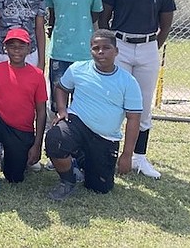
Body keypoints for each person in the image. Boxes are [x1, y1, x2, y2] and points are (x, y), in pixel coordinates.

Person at [100, 0, 176, 179]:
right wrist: (113, 45)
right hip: (120, 44)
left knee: (142, 104)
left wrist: (150, 46)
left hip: (147, 47)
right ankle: (108, 153)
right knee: (113, 100)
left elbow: (165, 26)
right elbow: (104, 19)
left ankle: (138, 157)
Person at [45, 29, 142, 201]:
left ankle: (79, 162)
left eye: (106, 48)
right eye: (96, 48)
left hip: (106, 137)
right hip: (77, 123)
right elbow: (61, 88)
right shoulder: (78, 69)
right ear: (90, 50)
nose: (101, 52)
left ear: (116, 51)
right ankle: (68, 181)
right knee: (55, 138)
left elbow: (134, 119)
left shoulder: (128, 81)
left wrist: (127, 155)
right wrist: (62, 110)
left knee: (100, 188)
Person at [0, 28, 47, 200]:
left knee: (14, 178)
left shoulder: (37, 75)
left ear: (29, 48)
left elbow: (41, 112)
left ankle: (11, 155)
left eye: (21, 46)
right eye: (12, 46)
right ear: (5, 48)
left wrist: (36, 145)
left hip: (22, 131)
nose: (17, 50)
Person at [44, 0, 102, 113]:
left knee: (82, 100)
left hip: (84, 52)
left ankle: (77, 136)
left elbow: (95, 14)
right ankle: (57, 135)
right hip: (60, 50)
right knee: (57, 100)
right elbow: (52, 15)